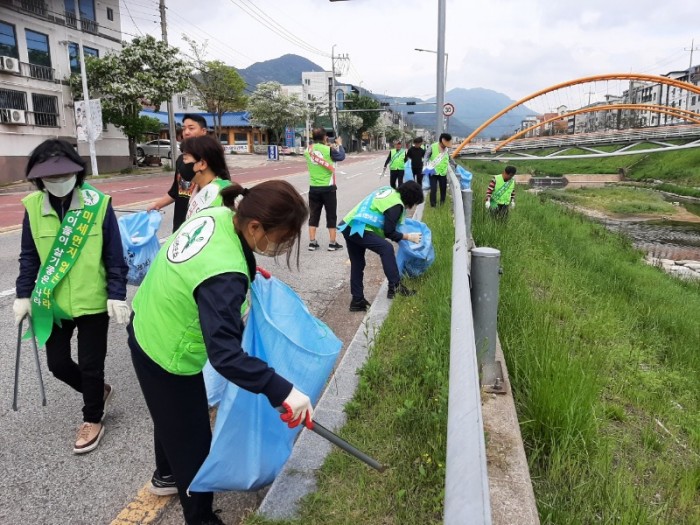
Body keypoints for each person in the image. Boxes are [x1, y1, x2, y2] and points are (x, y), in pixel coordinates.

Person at [127, 180, 315, 525]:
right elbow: (225, 355)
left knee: (172, 419)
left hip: (146, 318)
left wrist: (247, 267)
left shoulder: (219, 211)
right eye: (283, 237)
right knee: (194, 444)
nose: (284, 244)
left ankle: (166, 473)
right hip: (167, 351)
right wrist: (282, 390)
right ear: (255, 226)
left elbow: (207, 258)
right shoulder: (224, 276)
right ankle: (199, 518)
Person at [13, 139, 129, 454]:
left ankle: (93, 417)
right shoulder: (33, 208)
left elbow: (114, 255)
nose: (57, 182)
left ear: (76, 173)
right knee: (58, 364)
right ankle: (99, 392)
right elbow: (29, 257)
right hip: (53, 304)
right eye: (50, 178)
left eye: (62, 175)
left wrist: (116, 293)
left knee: (92, 365)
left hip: (92, 301)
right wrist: (23, 294)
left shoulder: (98, 204)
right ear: (39, 179)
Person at [338, 181, 425, 311]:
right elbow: (389, 232)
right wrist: (408, 237)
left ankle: (357, 300)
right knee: (386, 248)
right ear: (411, 198)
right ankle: (395, 286)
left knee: (358, 263)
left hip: (350, 224)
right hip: (359, 226)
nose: (410, 207)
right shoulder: (396, 205)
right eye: (413, 203)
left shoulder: (389, 192)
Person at [147, 114, 208, 232]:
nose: (186, 132)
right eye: (184, 128)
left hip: (201, 226)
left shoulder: (210, 159)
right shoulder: (181, 160)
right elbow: (176, 191)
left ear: (203, 131)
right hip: (180, 226)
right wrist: (157, 204)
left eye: (191, 128)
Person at [305, 127, 345, 251]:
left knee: (314, 215)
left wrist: (325, 144)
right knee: (331, 215)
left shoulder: (307, 150)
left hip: (313, 188)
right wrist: (340, 145)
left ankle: (312, 243)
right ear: (325, 137)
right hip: (328, 188)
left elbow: (318, 151)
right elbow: (341, 156)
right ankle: (332, 243)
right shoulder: (329, 150)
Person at [181, 135, 232, 220]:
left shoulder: (226, 192)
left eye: (185, 159)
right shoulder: (197, 188)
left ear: (202, 164)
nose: (182, 164)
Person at [423, 133, 453, 207]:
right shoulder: (432, 147)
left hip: (443, 172)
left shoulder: (446, 149)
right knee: (433, 189)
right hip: (433, 171)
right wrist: (425, 165)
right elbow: (426, 156)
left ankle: (442, 204)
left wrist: (455, 164)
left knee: (443, 189)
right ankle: (433, 205)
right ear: (441, 141)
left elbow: (449, 158)